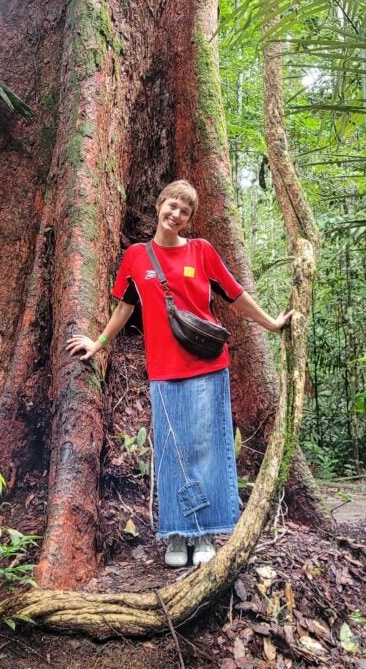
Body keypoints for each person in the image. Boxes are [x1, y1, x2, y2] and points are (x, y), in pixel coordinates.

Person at [66, 180, 289, 568]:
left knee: (205, 446)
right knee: (171, 450)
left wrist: (271, 324)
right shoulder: (137, 256)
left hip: (207, 364)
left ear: (189, 218)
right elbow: (125, 307)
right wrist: (99, 343)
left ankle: (203, 531)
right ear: (159, 205)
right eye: (172, 206)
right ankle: (175, 532)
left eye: (185, 212)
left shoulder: (201, 251)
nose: (176, 215)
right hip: (164, 369)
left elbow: (234, 293)